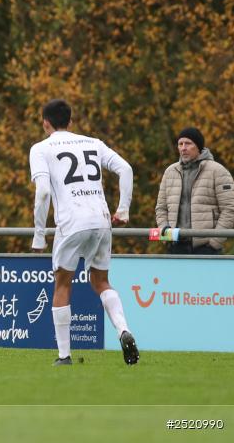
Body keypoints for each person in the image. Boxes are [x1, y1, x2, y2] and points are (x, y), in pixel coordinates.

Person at [29, 99, 139, 366]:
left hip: (71, 222)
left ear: (45, 123)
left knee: (62, 283)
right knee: (101, 281)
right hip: (102, 220)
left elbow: (43, 192)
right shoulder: (93, 143)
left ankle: (64, 356)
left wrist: (39, 234)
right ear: (71, 121)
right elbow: (126, 168)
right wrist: (122, 210)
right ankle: (123, 329)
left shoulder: (41, 149)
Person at [154, 127, 234, 255]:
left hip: (207, 248)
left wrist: (214, 243)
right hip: (176, 247)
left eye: (188, 143)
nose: (183, 148)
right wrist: (166, 235)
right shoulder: (170, 172)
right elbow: (161, 208)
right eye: (180, 144)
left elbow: (230, 209)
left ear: (198, 146)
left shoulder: (218, 171)